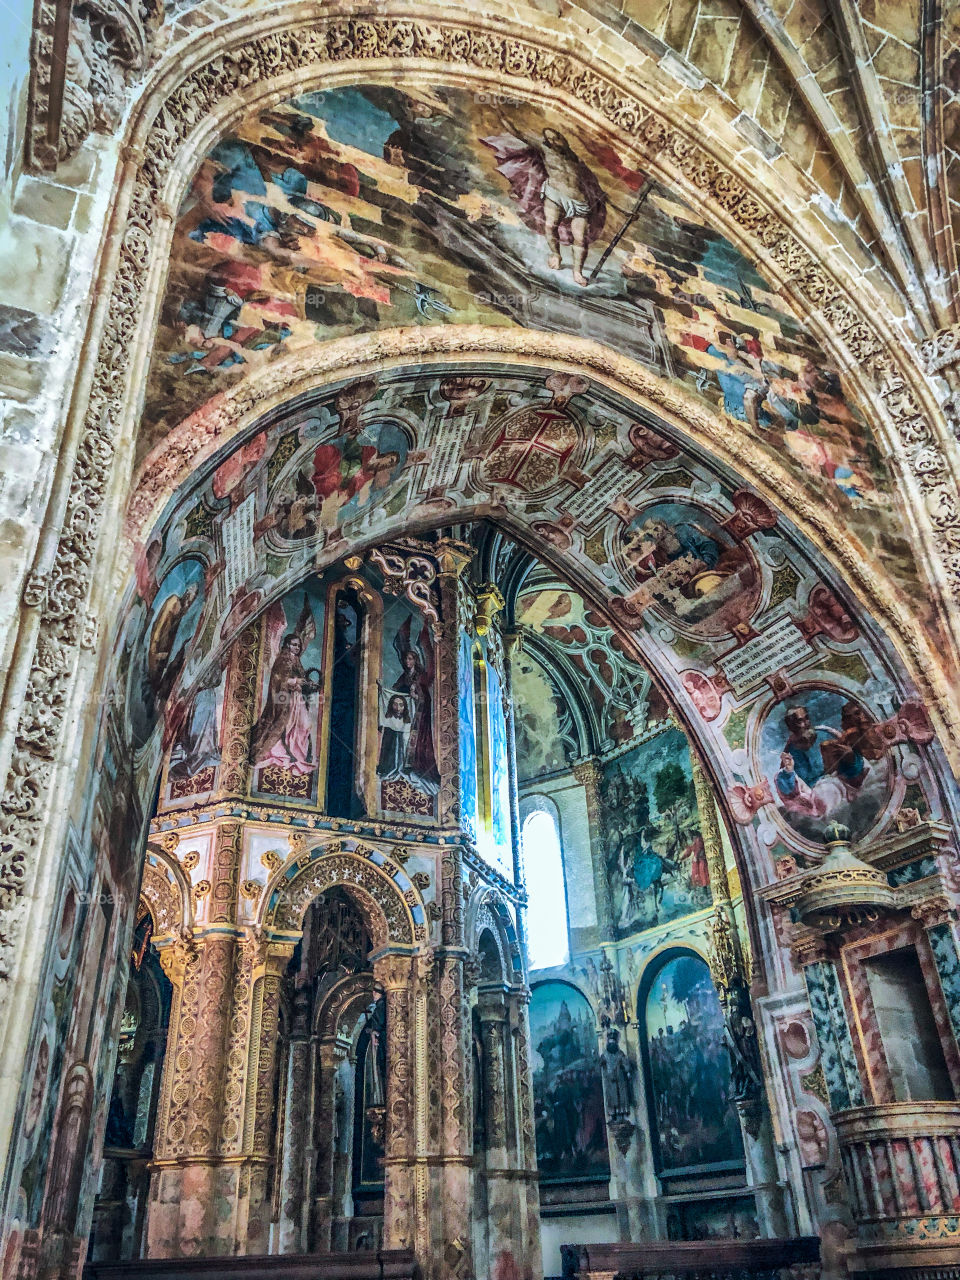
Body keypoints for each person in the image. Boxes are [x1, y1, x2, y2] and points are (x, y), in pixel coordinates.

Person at [482, 126, 607, 285]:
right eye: (551, 139)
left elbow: (593, 185)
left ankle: (578, 273)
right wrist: (500, 115)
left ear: (563, 138)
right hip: (554, 194)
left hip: (578, 201)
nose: (555, 141)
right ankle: (556, 254)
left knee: (580, 239)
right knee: (550, 226)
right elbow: (518, 132)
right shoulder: (545, 150)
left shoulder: (577, 161)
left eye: (557, 137)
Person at [250, 626, 320, 775]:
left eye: (298, 645)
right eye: (294, 644)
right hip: (286, 700)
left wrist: (308, 683)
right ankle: (286, 753)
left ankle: (298, 754)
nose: (297, 647)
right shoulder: (283, 659)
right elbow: (279, 680)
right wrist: (295, 681)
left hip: (297, 699)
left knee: (305, 725)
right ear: (287, 645)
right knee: (287, 726)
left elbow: (302, 678)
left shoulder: (296, 660)